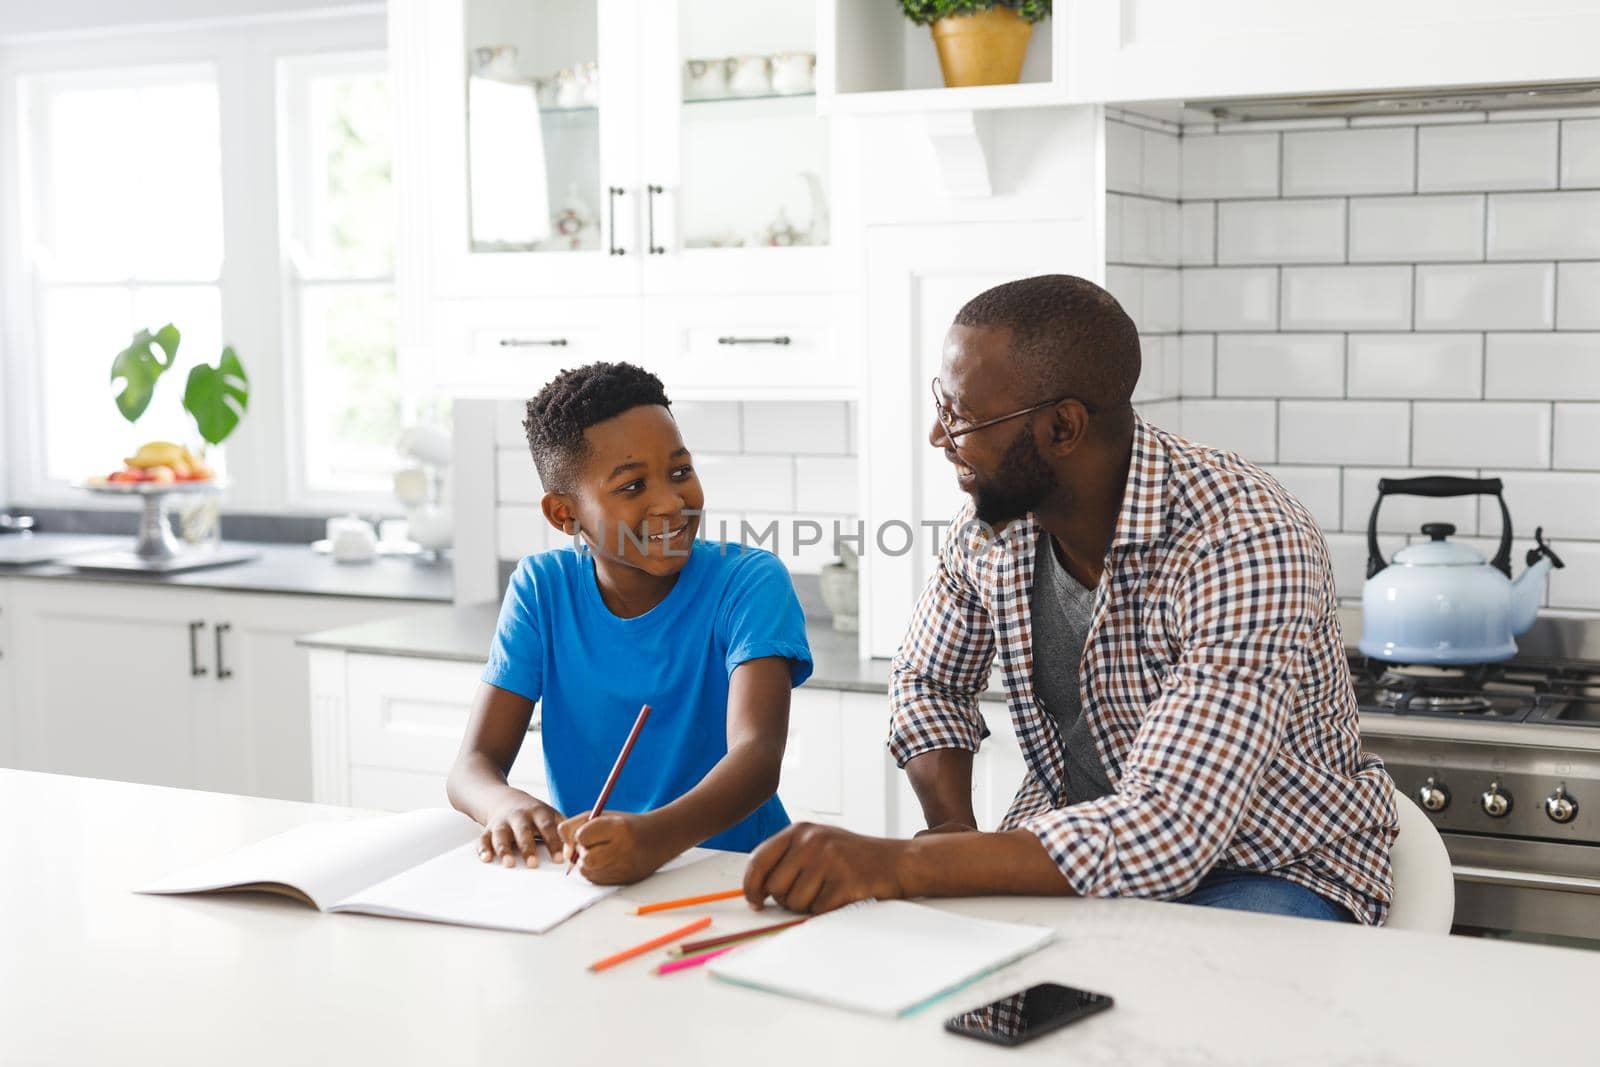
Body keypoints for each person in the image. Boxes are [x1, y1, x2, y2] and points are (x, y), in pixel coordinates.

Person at [743, 275, 1396, 923]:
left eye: (963, 417)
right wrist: (950, 829)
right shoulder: (992, 529)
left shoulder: (1245, 541)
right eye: (942, 406)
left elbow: (1169, 827)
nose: (941, 438)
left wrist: (899, 864)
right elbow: (928, 682)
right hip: (1083, 856)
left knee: (1165, 1008)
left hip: (1267, 867)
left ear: (1063, 427)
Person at [449, 361, 812, 884]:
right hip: (606, 876)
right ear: (564, 515)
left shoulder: (748, 581)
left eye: (681, 472)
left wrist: (654, 839)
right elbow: (473, 764)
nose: (670, 501)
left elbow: (757, 754)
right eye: (632, 486)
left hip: (737, 876)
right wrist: (503, 804)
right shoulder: (541, 589)